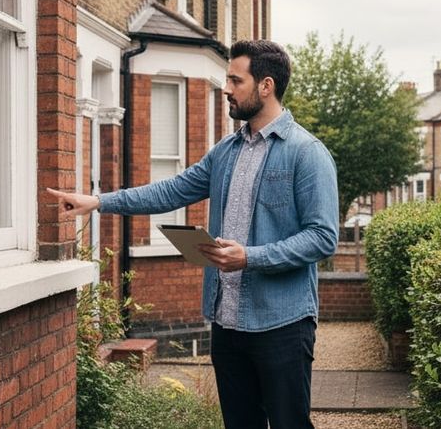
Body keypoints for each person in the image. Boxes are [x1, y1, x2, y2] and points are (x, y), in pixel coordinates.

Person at [48, 40, 338, 429]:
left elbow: (322, 236)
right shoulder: (226, 151)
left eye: (236, 80)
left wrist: (250, 257)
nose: (227, 89)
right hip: (227, 322)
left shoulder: (307, 152)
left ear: (265, 86)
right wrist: (98, 202)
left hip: (281, 324)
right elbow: (171, 190)